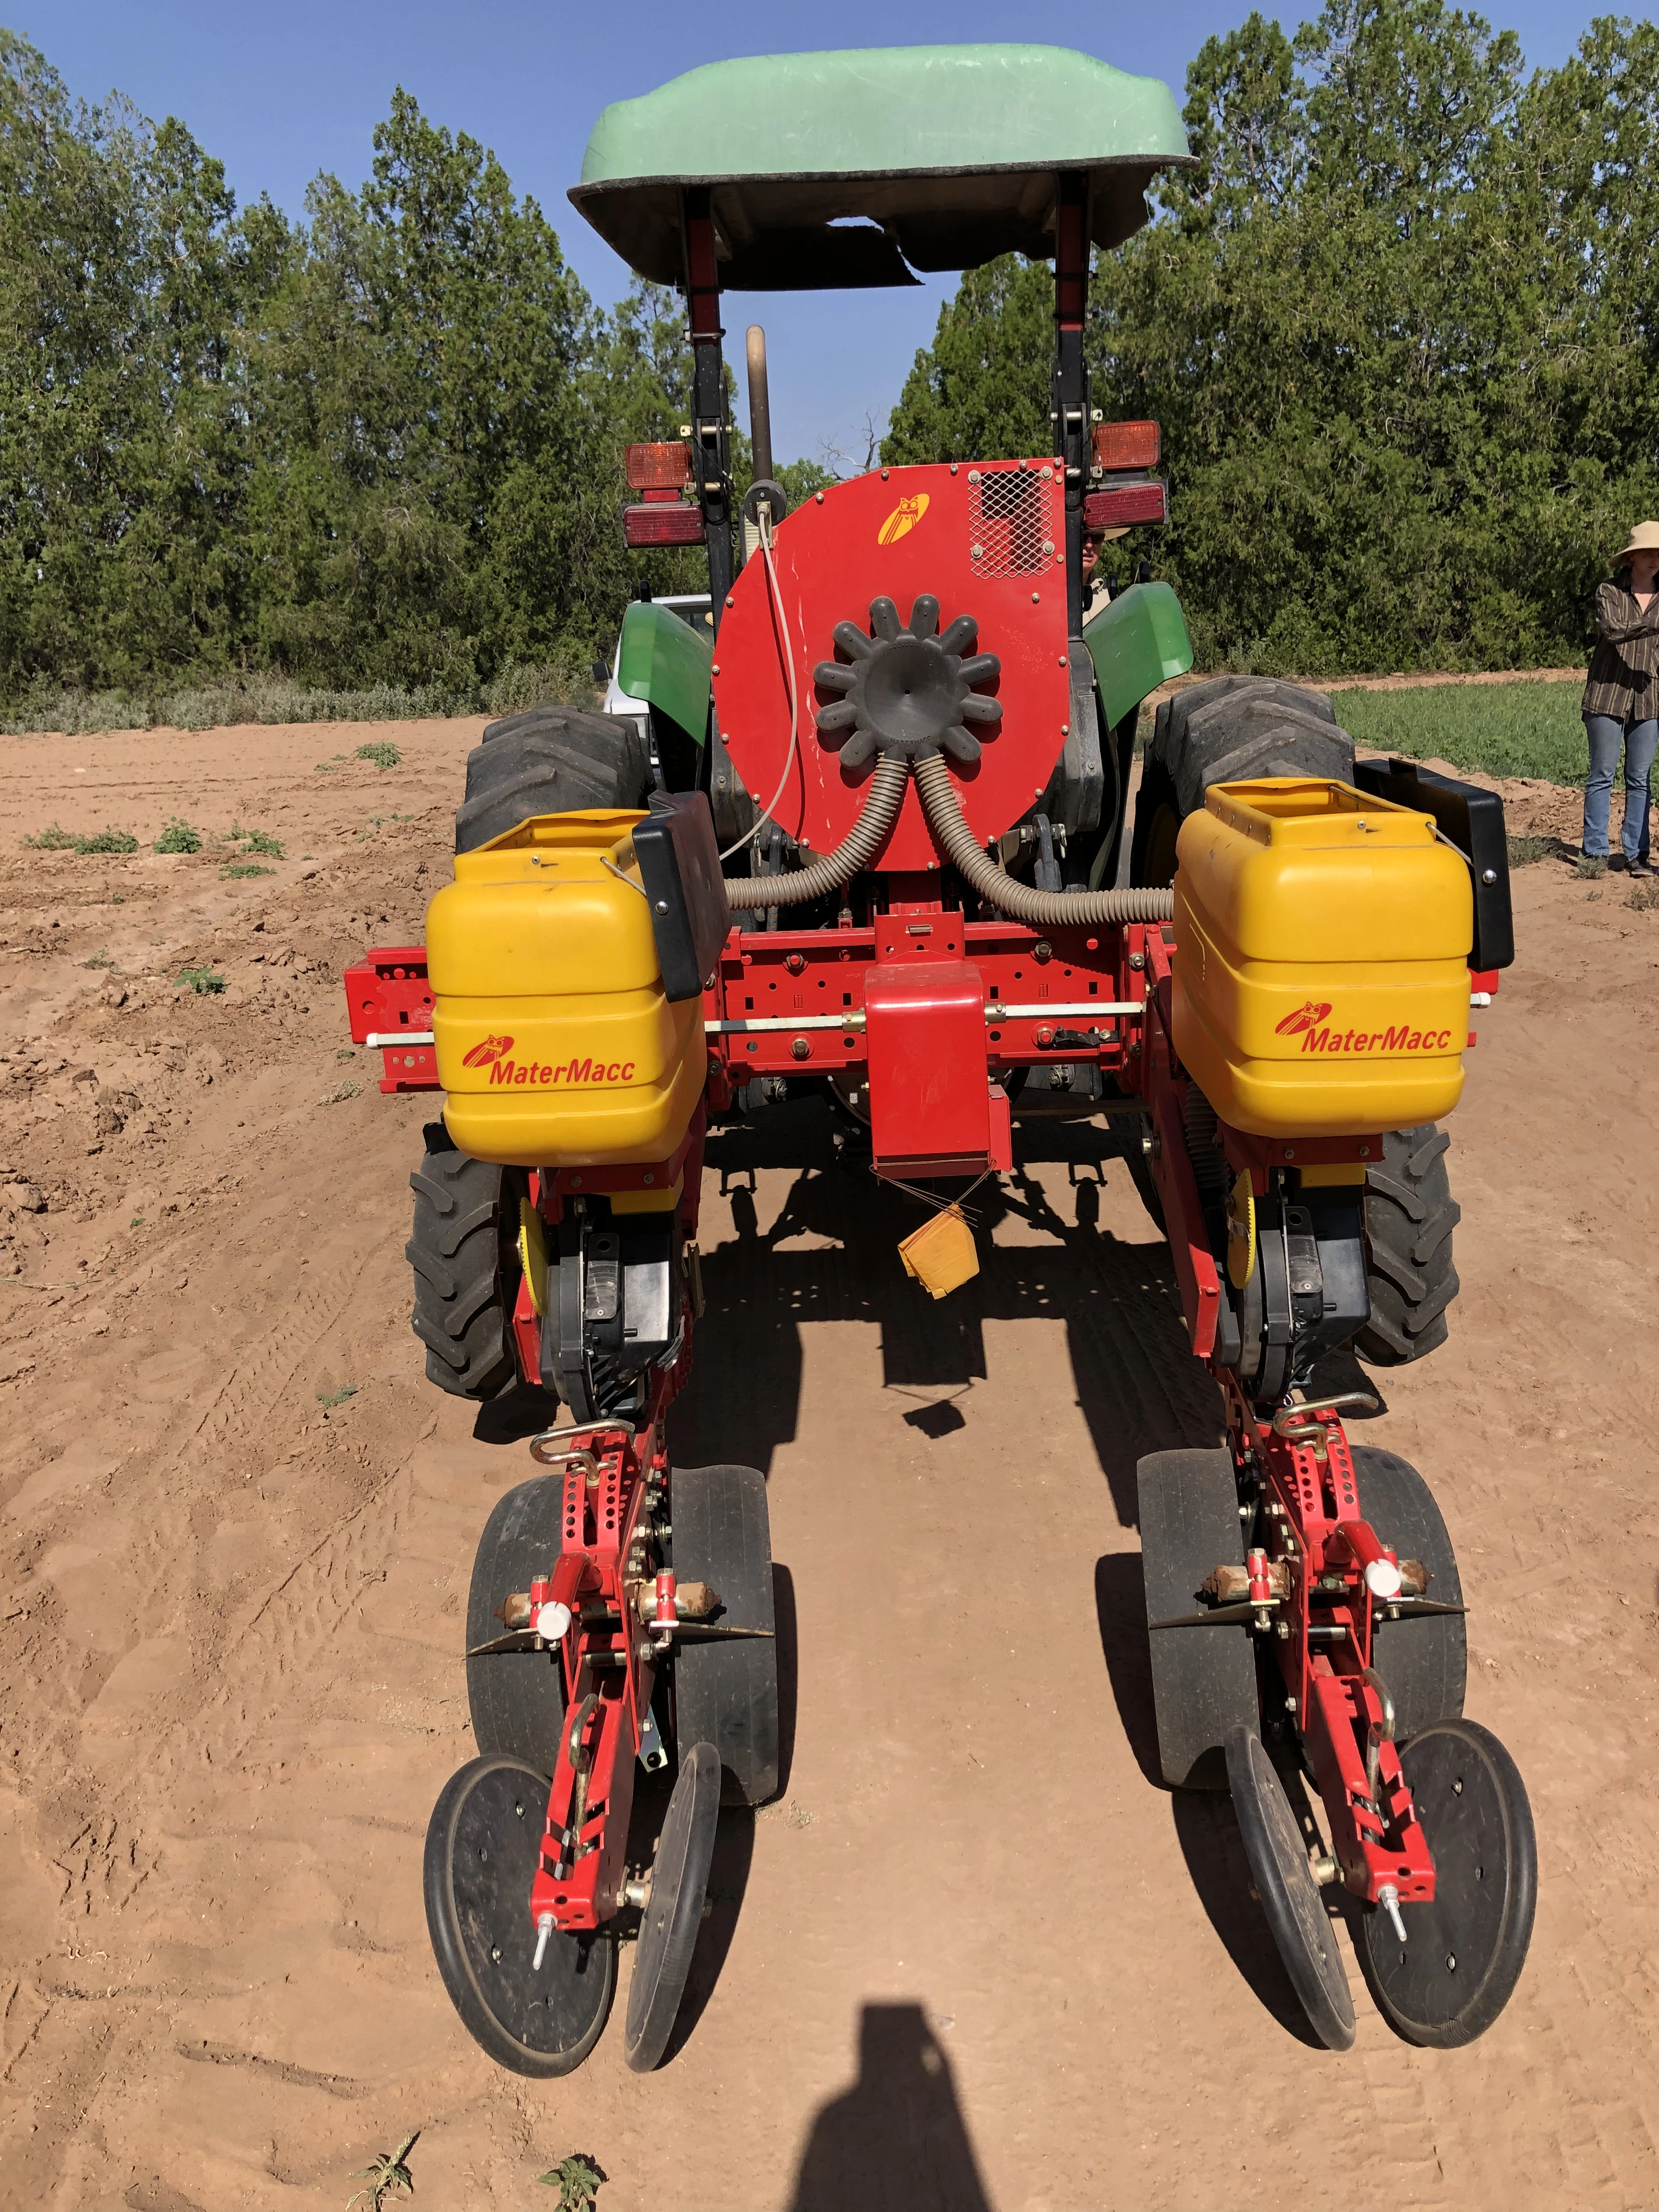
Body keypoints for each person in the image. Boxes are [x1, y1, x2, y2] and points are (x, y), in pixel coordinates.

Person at [1582, 521, 1659, 876]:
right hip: (1607, 694)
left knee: (1640, 778)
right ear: (1631, 558)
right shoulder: (1608, 592)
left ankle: (1636, 855)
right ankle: (1595, 853)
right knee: (1602, 773)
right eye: (1649, 551)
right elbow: (1612, 631)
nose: (1656, 558)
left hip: (1649, 697)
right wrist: (1652, 625)